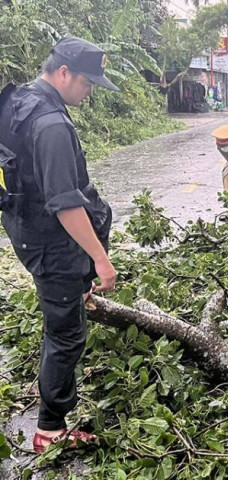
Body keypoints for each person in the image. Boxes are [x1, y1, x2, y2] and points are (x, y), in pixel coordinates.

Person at [0, 37, 118, 453]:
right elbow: (66, 205)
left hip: (28, 231)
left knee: (61, 319)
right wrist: (101, 262)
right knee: (66, 334)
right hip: (52, 241)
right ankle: (49, 429)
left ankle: (51, 414)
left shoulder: (20, 101)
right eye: (88, 83)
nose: (89, 93)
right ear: (63, 73)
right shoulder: (50, 124)